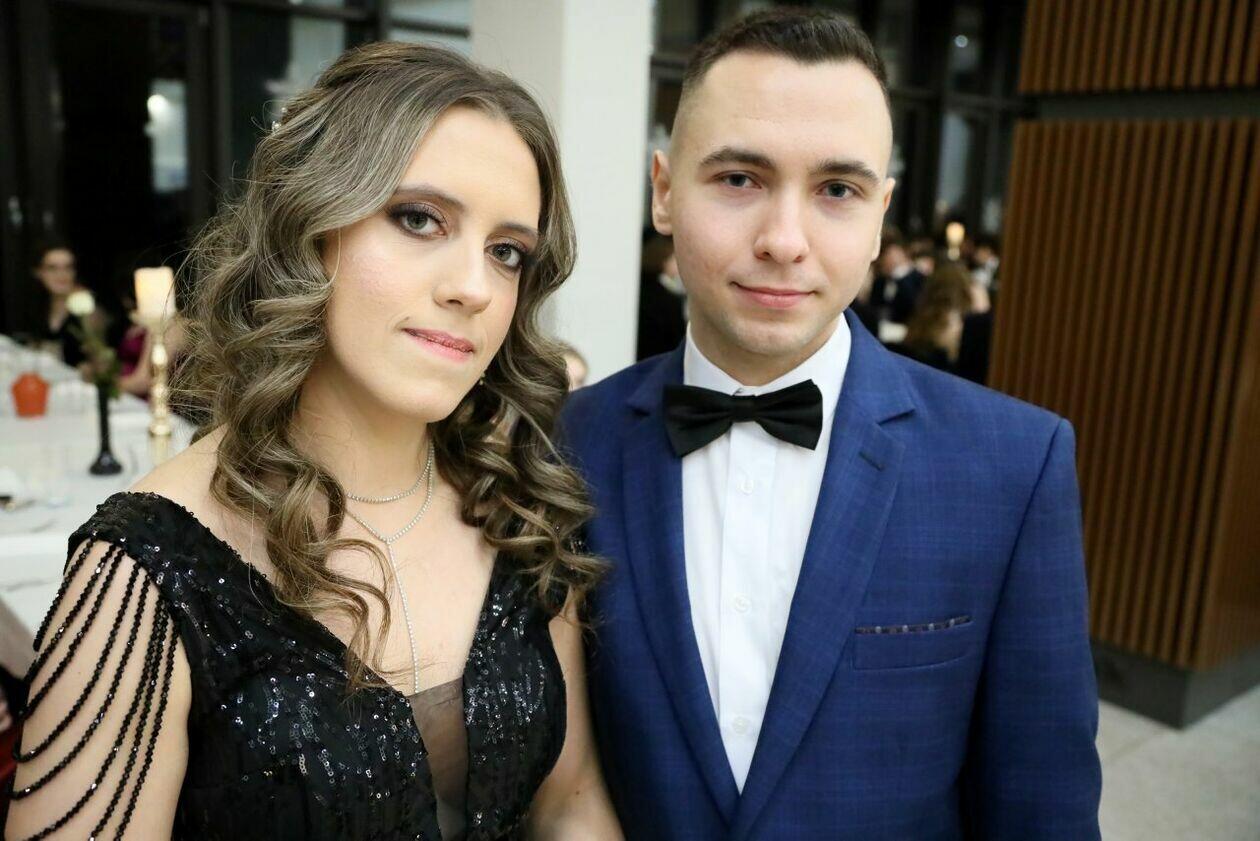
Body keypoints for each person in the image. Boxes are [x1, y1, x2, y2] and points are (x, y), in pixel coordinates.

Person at [7, 42, 621, 840]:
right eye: (418, 219)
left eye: (506, 252)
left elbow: (571, 799)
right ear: (310, 227)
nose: (474, 287)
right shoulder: (149, 566)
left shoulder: (517, 508)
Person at [561, 9, 1101, 839]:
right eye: (738, 179)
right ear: (664, 191)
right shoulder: (567, 441)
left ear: (881, 213)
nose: (784, 240)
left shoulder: (1014, 465)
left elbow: (1043, 809)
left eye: (837, 191)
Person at [30, 241, 101, 368]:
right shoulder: (40, 304)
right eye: (52, 268)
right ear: (38, 272)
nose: (61, 275)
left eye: (68, 267)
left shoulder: (87, 306)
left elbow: (102, 361)